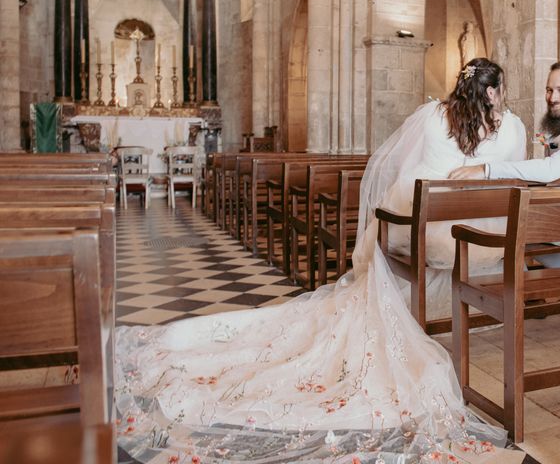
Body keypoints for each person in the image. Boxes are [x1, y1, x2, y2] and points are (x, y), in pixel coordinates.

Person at [115, 58, 526, 464]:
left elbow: (395, 166)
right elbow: (518, 174)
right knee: (427, 226)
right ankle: (431, 312)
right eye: (501, 88)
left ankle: (395, 308)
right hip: (488, 237)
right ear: (492, 91)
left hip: (426, 227)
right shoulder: (514, 125)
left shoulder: (435, 115)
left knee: (387, 232)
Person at [448, 60, 560, 265]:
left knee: (505, 225)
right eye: (549, 90)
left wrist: (486, 169)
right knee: (512, 219)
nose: (553, 97)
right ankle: (553, 284)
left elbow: (551, 169)